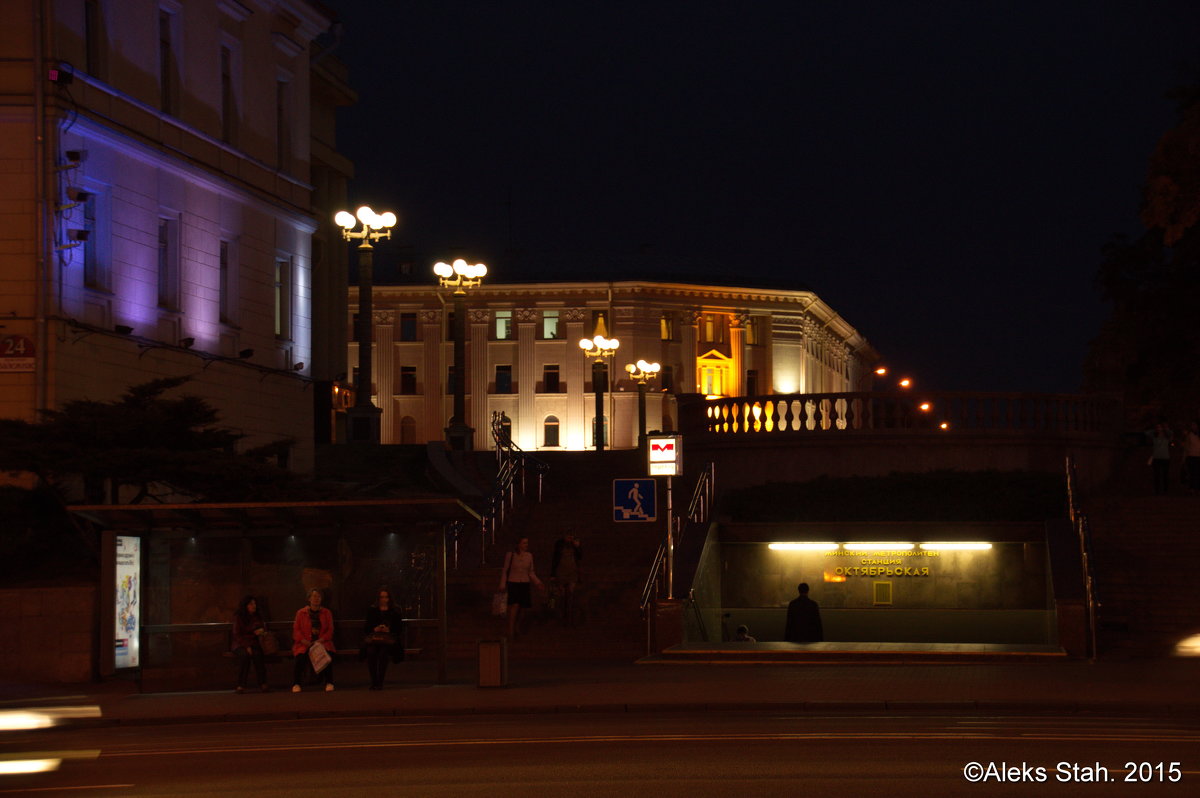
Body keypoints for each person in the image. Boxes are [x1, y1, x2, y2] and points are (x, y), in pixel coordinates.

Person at [499, 537, 544, 640]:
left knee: (523, 608)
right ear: (518, 544)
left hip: (524, 583)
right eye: (524, 543)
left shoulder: (529, 556)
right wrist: (502, 584)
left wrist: (538, 582)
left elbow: (531, 572)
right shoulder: (510, 555)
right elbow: (505, 570)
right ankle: (510, 630)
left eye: (527, 543)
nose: (526, 545)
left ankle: (517, 627)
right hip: (513, 582)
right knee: (515, 606)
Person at [292, 588, 336, 692]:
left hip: (321, 642)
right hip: (305, 643)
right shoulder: (301, 613)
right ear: (309, 598)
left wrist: (321, 640)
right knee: (300, 658)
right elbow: (296, 629)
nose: (316, 599)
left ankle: (329, 682)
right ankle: (296, 683)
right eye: (314, 596)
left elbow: (330, 629)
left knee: (326, 655)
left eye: (319, 596)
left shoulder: (326, 613)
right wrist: (303, 641)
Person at [362, 587, 405, 690]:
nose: (384, 599)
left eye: (386, 597)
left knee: (383, 653)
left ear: (389, 598)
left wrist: (389, 630)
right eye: (382, 597)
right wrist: (375, 628)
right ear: (378, 598)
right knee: (371, 652)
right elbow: (366, 628)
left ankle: (380, 682)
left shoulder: (395, 610)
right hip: (375, 639)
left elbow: (399, 629)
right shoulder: (372, 610)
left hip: (388, 640)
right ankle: (374, 681)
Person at [232, 595, 269, 693]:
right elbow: (237, 634)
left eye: (254, 603)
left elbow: (263, 627)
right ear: (245, 605)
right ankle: (241, 685)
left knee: (258, 656)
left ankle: (263, 683)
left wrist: (261, 631)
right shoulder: (239, 617)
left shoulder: (257, 616)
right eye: (251, 604)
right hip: (240, 644)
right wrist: (247, 646)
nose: (254, 606)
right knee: (244, 656)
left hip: (254, 643)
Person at [551, 532, 583, 627]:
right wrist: (552, 574)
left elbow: (580, 556)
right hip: (561, 571)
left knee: (571, 593)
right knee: (562, 595)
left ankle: (569, 617)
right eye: (568, 536)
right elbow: (555, 557)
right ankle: (562, 615)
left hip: (572, 572)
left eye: (571, 536)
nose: (570, 538)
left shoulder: (574, 544)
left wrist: (577, 547)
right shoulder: (559, 544)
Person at [1147, 421, 1173, 495]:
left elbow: (1171, 433)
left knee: (1165, 475)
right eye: (1158, 427)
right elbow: (1147, 433)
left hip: (1165, 458)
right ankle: (1157, 491)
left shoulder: (1167, 437)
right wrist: (1155, 430)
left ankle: (1165, 491)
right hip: (1156, 458)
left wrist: (1165, 428)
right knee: (1156, 475)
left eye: (1160, 427)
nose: (1159, 429)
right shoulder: (1154, 436)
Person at [1182, 421, 1200, 494]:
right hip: (1191, 456)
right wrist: (1184, 458)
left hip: (1199, 456)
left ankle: (1198, 488)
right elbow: (1186, 447)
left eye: (1194, 425)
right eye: (1192, 425)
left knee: (1198, 473)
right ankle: (1192, 488)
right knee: (1192, 473)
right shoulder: (1189, 435)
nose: (1193, 427)